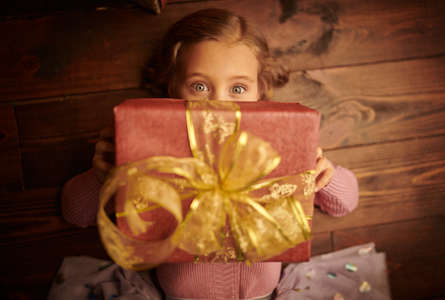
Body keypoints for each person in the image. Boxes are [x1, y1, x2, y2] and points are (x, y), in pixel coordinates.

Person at [61, 8, 359, 300]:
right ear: (172, 88)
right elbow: (75, 213)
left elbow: (345, 204)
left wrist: (325, 174)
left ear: (260, 90)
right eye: (200, 86)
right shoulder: (152, 152)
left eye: (238, 88)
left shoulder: (275, 147)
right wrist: (102, 178)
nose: (219, 103)